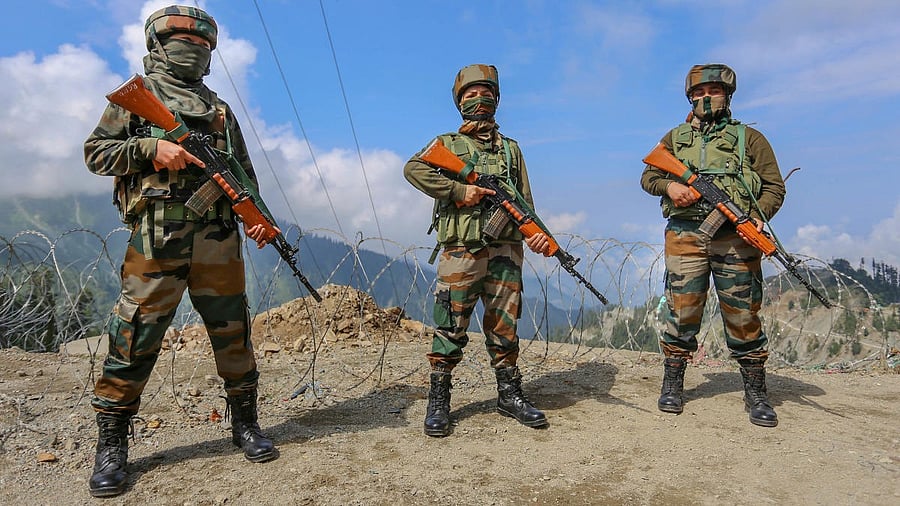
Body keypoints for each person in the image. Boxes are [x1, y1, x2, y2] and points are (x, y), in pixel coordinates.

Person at [84, 5, 277, 497]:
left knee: (232, 332)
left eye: (203, 44)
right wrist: (150, 150)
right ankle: (112, 443)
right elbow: (96, 153)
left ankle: (245, 424)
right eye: (182, 41)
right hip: (156, 240)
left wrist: (259, 219)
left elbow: (243, 173)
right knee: (135, 336)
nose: (193, 50)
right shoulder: (137, 97)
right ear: (157, 44)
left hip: (217, 240)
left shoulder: (218, 110)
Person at [404, 64, 551, 437]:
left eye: (486, 92)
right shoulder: (447, 145)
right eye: (471, 93)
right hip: (461, 250)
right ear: (459, 102)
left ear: (497, 100)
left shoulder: (511, 150)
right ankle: (439, 397)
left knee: (505, 326)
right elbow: (413, 169)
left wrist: (535, 234)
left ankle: (509, 393)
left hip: (505, 251)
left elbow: (525, 201)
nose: (479, 98)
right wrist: (459, 191)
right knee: (451, 324)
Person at [640, 63, 786, 427]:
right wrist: (671, 187)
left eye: (713, 92)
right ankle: (673, 382)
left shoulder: (749, 139)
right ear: (690, 97)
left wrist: (756, 216)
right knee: (682, 309)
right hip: (686, 236)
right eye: (698, 93)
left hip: (736, 240)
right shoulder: (675, 138)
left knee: (742, 314)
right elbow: (649, 175)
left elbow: (774, 187)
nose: (706, 98)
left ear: (727, 96)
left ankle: (755, 391)